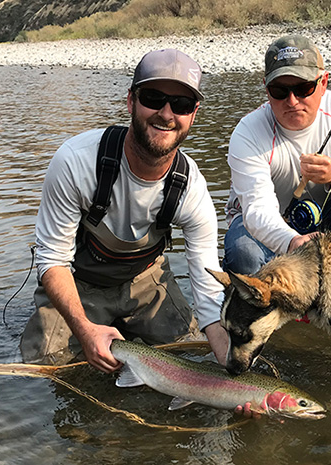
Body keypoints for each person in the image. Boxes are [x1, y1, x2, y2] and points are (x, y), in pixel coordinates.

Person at [20, 49, 229, 374]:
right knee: (44, 368)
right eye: (153, 97)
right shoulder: (76, 161)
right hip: (79, 283)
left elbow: (207, 287)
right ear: (131, 101)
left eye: (181, 105)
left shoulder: (192, 189)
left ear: (194, 114)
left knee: (192, 357)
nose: (166, 113)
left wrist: (232, 366)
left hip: (146, 282)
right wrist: (84, 329)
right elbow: (53, 261)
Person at [223, 35, 331, 275]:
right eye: (280, 91)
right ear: (266, 89)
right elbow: (257, 211)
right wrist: (292, 241)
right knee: (243, 252)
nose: (292, 101)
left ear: (323, 82)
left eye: (304, 88)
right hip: (264, 224)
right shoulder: (248, 132)